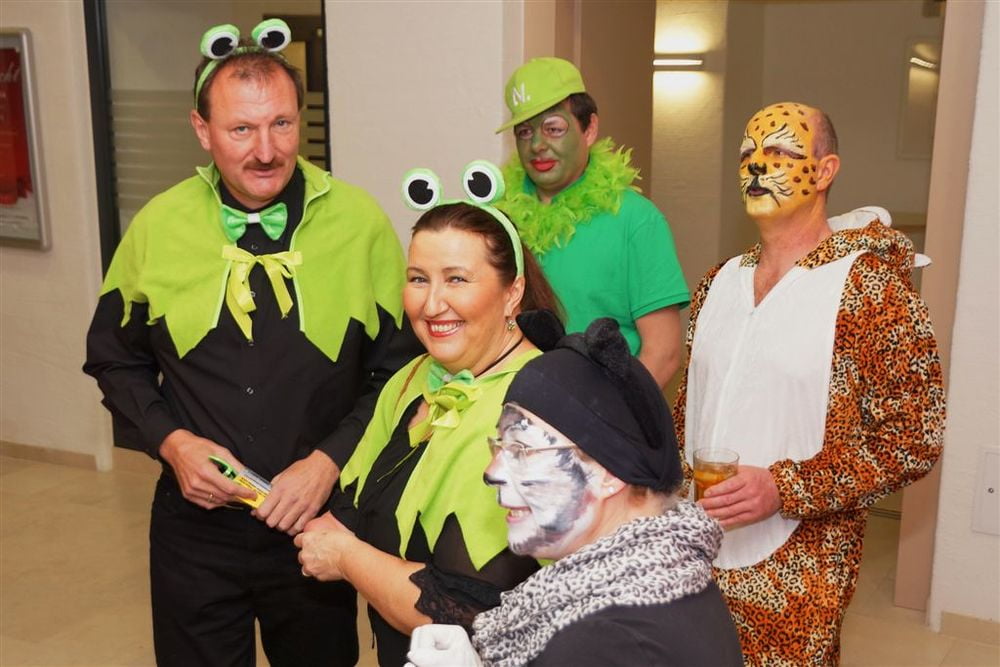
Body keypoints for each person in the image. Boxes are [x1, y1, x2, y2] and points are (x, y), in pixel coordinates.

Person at [83, 20, 419, 667]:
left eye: (282, 124)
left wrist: (328, 462)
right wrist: (173, 444)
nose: (266, 150)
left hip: (317, 525)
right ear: (202, 129)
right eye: (241, 129)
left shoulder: (361, 224)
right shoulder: (158, 225)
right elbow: (114, 358)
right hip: (194, 530)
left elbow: (400, 373)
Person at [675, 101, 946, 665]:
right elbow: (688, 414)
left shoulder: (871, 290)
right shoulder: (717, 283)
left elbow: (914, 438)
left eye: (779, 150)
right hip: (695, 556)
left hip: (798, 575)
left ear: (825, 171)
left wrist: (785, 488)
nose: (756, 165)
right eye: (747, 153)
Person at [295, 168, 564, 666]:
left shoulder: (537, 408)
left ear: (512, 293)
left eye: (457, 279)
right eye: (418, 279)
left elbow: (465, 610)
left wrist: (346, 558)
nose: (432, 303)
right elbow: (356, 503)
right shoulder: (412, 378)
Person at [403, 317, 743, 667]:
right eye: (500, 446)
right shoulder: (667, 580)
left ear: (610, 473)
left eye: (521, 450)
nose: (492, 472)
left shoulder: (601, 640)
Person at [494, 57, 689, 388]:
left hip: (604, 409)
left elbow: (664, 352)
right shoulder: (497, 219)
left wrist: (608, 413)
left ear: (590, 129)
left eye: (554, 128)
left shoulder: (637, 220)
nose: (537, 145)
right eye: (524, 132)